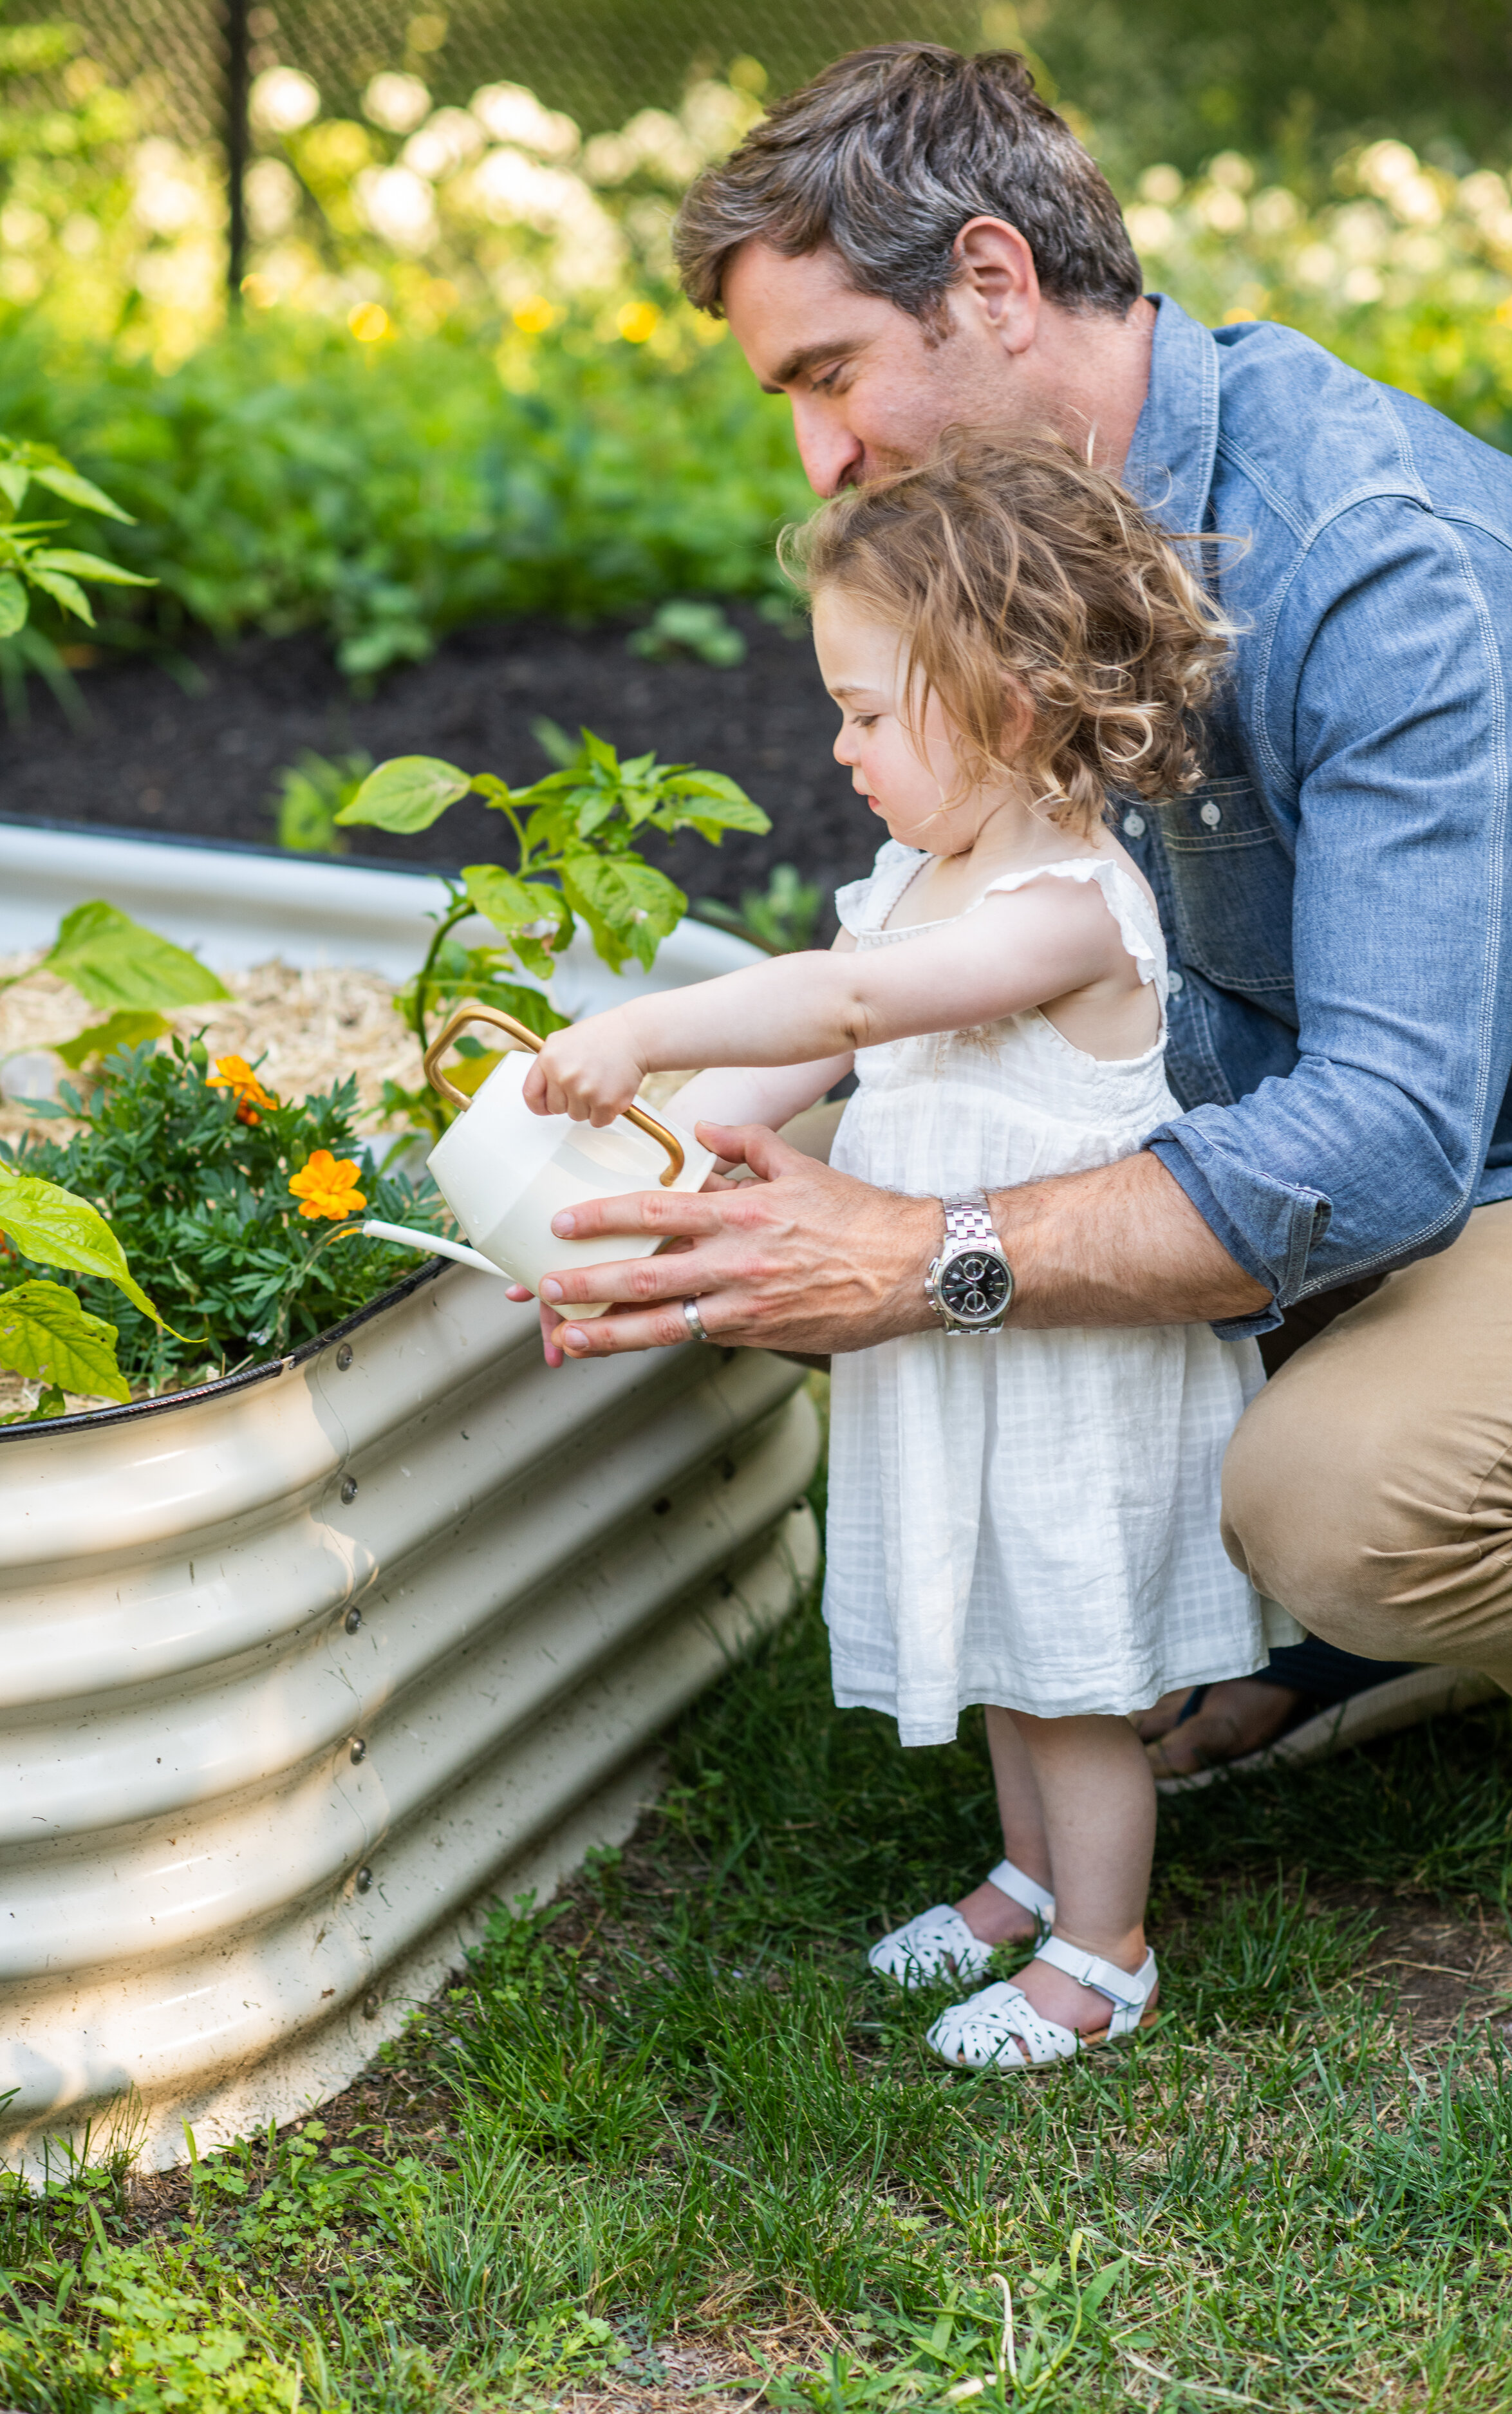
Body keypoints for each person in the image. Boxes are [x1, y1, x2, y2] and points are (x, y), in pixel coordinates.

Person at [525, 46, 1512, 1945]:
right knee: (764, 1225)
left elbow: (1387, 1137)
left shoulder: (1380, 569)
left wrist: (923, 1249)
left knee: (1342, 1499)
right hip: (1289, 1124)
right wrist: (763, 1163)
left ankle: (1364, 1580)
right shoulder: (1028, 549)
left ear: (995, 281)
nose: (818, 455)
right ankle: (1327, 1641)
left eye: (829, 373)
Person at [525, 428, 1288, 2064]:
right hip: (961, 1358)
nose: (839, 745)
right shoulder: (916, 881)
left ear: (1004, 706)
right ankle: (1024, 1876)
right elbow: (793, 1069)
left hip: (1070, 1369)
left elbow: (853, 1007)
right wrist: (633, 1194)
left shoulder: (1069, 908)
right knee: (1004, 1633)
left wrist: (639, 1024)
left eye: (868, 711)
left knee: (1069, 1667)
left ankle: (1103, 1948)